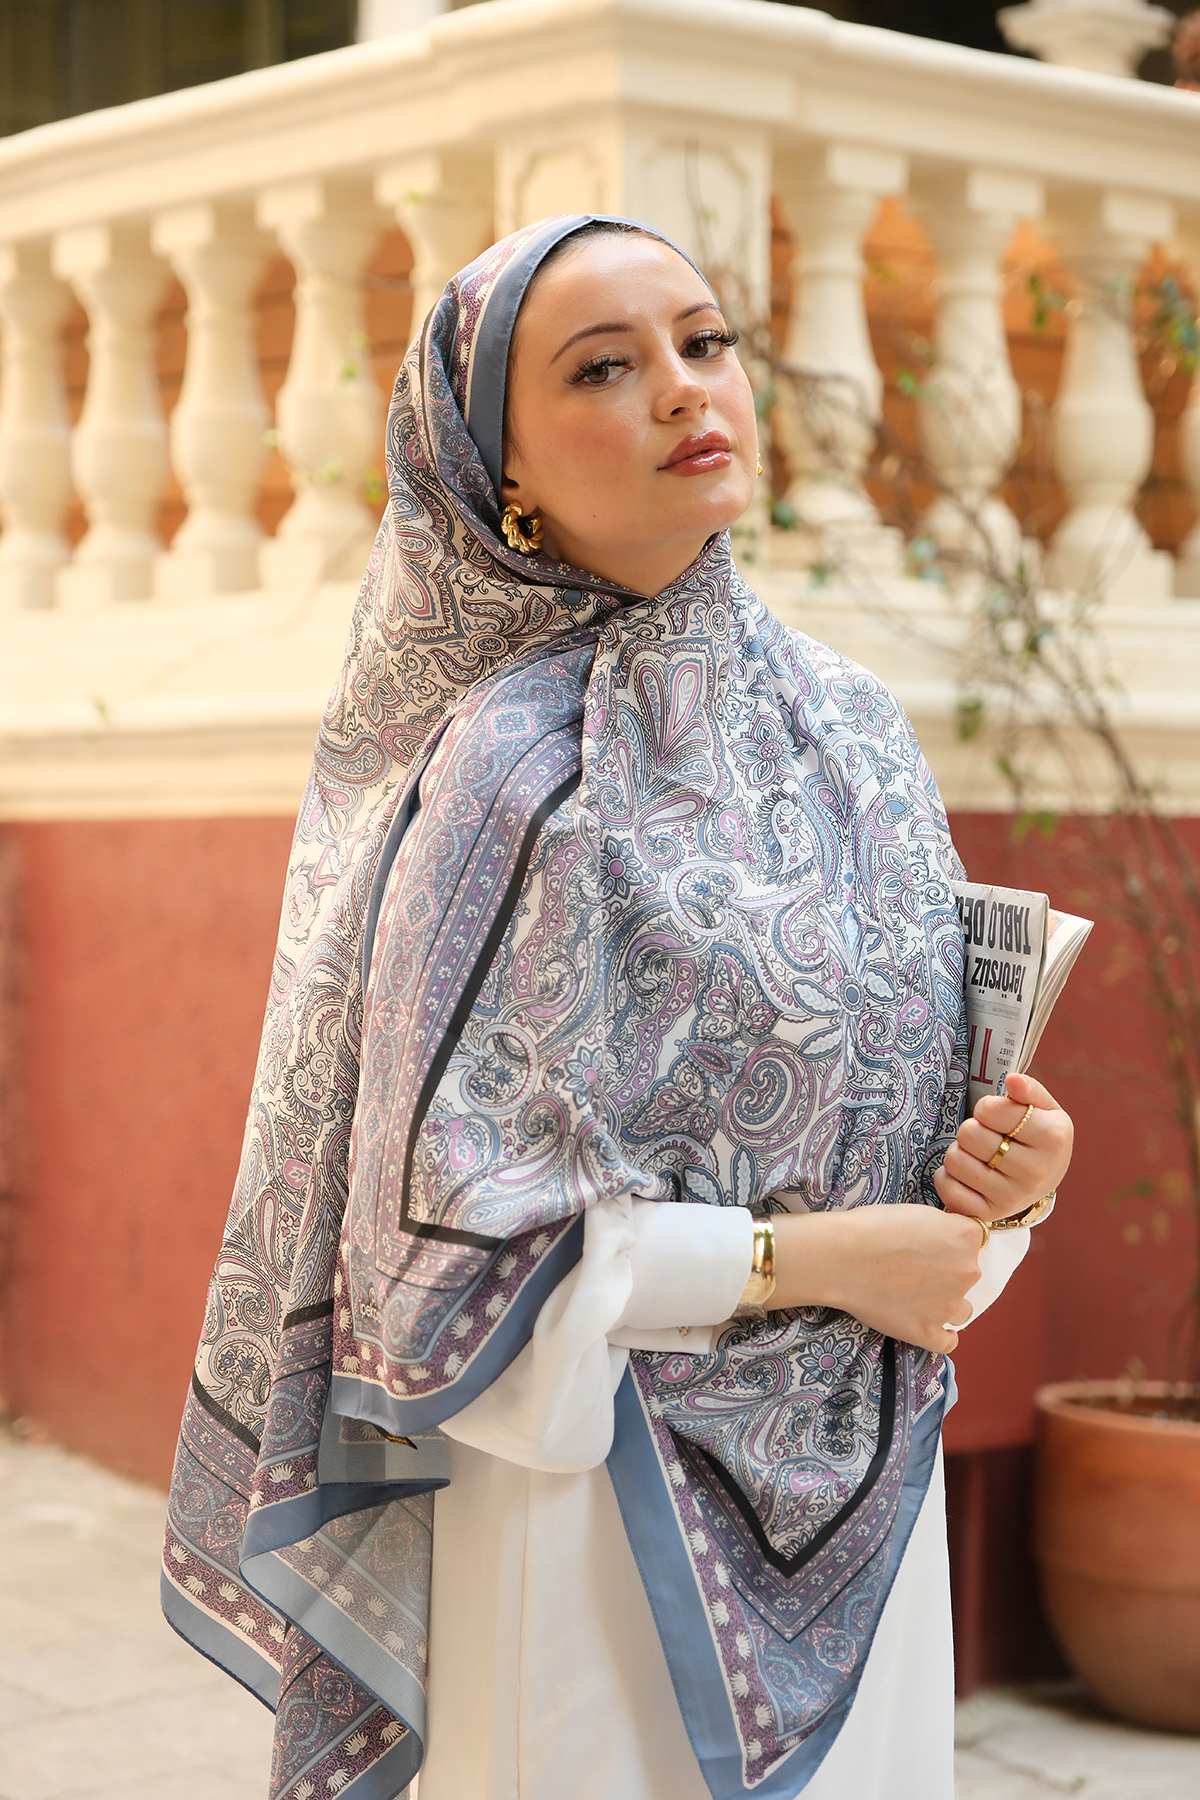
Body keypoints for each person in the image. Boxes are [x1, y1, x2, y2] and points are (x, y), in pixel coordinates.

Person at [162, 215, 1073, 1800]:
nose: (679, 387)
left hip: (872, 1506)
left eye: (703, 342)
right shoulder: (505, 777)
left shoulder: (854, 730)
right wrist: (810, 1262)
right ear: (500, 467)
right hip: (589, 1527)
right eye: (601, 367)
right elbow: (441, 1262)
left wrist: (1014, 1179)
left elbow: (923, 1137)